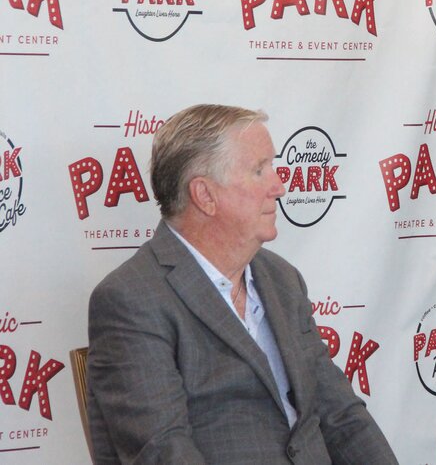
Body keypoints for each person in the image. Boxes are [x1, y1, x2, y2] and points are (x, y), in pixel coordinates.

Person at [87, 104, 398, 465]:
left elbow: (341, 413)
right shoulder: (132, 299)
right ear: (205, 195)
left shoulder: (282, 280)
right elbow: (162, 451)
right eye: (259, 170)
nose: (280, 186)